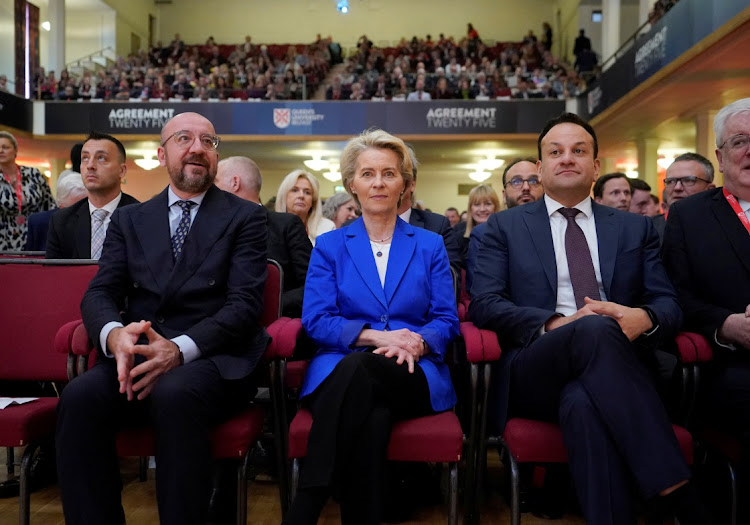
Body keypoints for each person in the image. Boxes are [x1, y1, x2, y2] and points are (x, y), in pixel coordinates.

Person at [470, 112, 709, 524]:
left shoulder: (636, 229)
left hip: (620, 366)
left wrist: (643, 318)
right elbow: (485, 304)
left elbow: (669, 305)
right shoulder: (502, 229)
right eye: (556, 152)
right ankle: (675, 488)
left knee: (583, 402)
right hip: (537, 364)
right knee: (592, 326)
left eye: (579, 151)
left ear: (596, 165)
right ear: (541, 167)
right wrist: (554, 324)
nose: (567, 159)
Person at [55, 112, 270, 525]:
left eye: (208, 141)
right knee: (79, 399)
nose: (197, 148)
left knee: (175, 394)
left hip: (209, 357)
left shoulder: (244, 217)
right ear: (161, 153)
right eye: (184, 138)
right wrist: (114, 336)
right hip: (135, 354)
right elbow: (101, 291)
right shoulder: (131, 218)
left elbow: (244, 304)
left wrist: (178, 349)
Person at [284, 128, 458, 525]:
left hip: (412, 370)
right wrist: (379, 336)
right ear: (351, 185)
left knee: (362, 371)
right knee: (372, 416)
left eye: (389, 173)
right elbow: (316, 320)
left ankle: (307, 501)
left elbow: (446, 321)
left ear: (405, 184)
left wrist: (415, 343)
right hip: (343, 365)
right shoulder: (330, 246)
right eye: (367, 174)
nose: (378, 182)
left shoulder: (429, 245)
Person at [661, 98, 750, 523]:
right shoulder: (690, 217)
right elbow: (676, 297)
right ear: (719, 156)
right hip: (730, 362)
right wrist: (726, 325)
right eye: (739, 141)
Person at [215, 155, 312, 317]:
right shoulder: (213, 230)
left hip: (277, 326)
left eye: (215, 182)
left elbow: (313, 285)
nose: (209, 189)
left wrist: (271, 305)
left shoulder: (286, 226)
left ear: (235, 183)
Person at [46, 132, 140, 259]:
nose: (90, 165)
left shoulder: (142, 218)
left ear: (121, 170)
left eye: (101, 158)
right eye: (85, 158)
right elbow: (54, 275)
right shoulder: (61, 221)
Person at [466, 158, 544, 293]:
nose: (526, 187)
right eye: (516, 181)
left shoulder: (560, 227)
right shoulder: (484, 234)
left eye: (533, 181)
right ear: (504, 195)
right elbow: (483, 295)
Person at [0, 131, 55, 251]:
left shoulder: (33, 174)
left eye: (5, 147)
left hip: (35, 235)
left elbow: (49, 204)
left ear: (15, 150)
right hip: (3, 240)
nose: (1, 151)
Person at [652, 152, 715, 240]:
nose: (677, 188)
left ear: (710, 189)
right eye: (671, 181)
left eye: (689, 180)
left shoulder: (724, 227)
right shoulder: (648, 230)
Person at [25, 169, 87, 251]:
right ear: (60, 206)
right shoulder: (39, 223)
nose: (80, 213)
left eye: (85, 206)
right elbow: (30, 260)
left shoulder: (100, 221)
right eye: (74, 208)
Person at [275, 170, 335, 246]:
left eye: (307, 192)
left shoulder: (327, 227)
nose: (301, 196)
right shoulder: (269, 226)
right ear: (283, 196)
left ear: (313, 200)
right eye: (294, 190)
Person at [453, 184, 499, 264]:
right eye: (476, 204)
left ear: (495, 207)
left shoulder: (505, 237)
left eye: (488, 204)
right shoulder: (458, 239)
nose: (482, 209)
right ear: (470, 208)